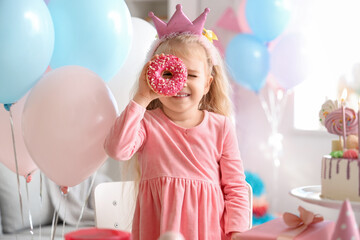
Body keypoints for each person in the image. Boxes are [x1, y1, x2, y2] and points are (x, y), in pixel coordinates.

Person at [104, 4, 249, 240]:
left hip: (207, 232)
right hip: (157, 229)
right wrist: (142, 97)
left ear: (207, 84)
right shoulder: (147, 124)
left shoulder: (221, 127)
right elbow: (117, 149)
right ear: (154, 77)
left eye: (191, 75)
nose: (180, 83)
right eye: (168, 74)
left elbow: (235, 188)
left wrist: (237, 232)